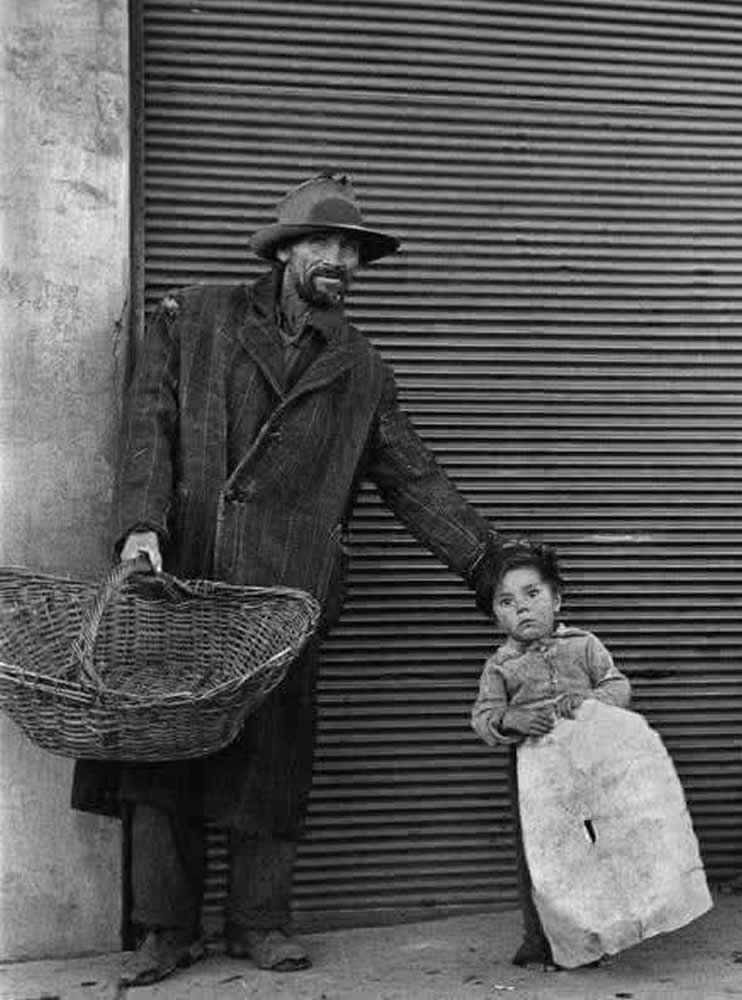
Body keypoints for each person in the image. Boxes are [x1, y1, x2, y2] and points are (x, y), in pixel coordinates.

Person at [70, 171, 506, 987]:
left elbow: (415, 480)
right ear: (284, 251)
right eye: (324, 243)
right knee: (162, 751)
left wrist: (490, 564)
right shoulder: (194, 316)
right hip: (183, 573)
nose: (341, 260)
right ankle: (164, 930)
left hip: (286, 592)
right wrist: (140, 526)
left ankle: (258, 923)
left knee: (272, 757)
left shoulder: (361, 369)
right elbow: (148, 424)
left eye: (353, 250)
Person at [471, 538, 631, 970]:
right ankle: (538, 941)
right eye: (506, 602)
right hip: (533, 774)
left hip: (586, 766)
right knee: (538, 857)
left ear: (556, 599)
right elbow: (483, 717)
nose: (521, 608)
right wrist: (512, 719)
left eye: (532, 594)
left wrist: (590, 702)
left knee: (589, 848)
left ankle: (591, 938)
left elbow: (618, 686)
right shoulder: (500, 665)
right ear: (495, 616)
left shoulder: (584, 645)